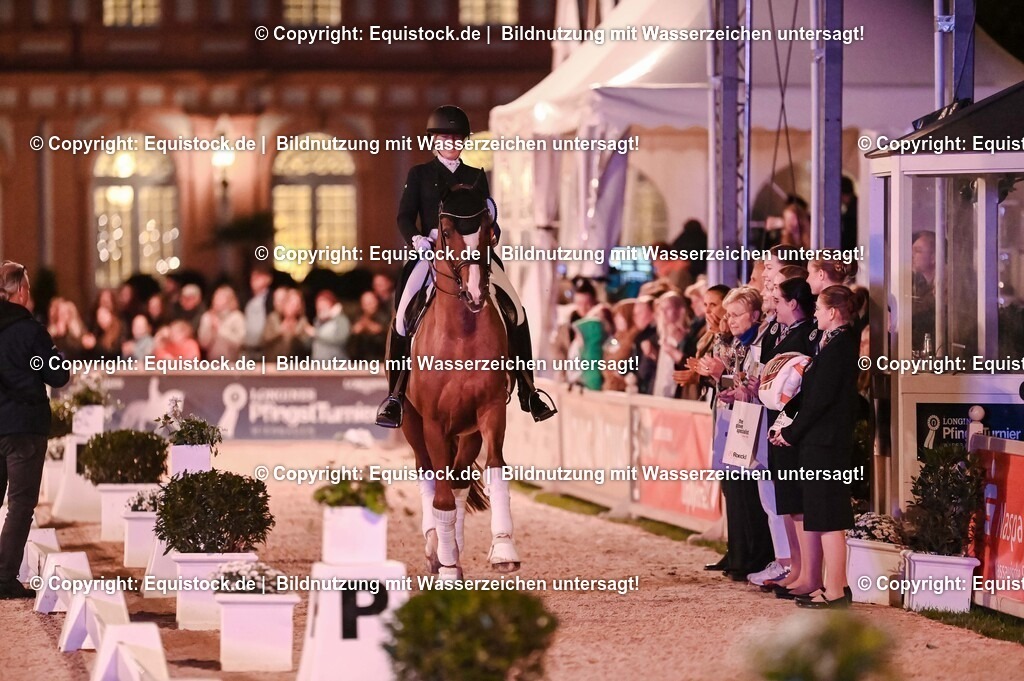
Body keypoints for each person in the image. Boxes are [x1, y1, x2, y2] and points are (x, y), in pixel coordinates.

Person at [376, 105, 556, 427]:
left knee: (516, 309)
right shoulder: (420, 174)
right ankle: (396, 394)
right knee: (403, 315)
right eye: (446, 138)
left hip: (473, 256)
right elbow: (404, 216)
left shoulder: (475, 175)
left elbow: (488, 216)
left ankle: (528, 389)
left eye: (457, 138)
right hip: (432, 253)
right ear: (434, 141)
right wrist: (417, 239)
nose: (452, 143)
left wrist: (493, 231)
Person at [770, 285, 862, 608]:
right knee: (822, 515)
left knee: (829, 516)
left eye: (820, 309)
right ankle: (835, 585)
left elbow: (820, 401)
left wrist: (791, 433)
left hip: (827, 443)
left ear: (833, 312)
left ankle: (836, 590)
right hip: (819, 442)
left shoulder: (841, 346)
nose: (815, 314)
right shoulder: (831, 343)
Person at [0, 261, 70, 599]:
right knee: (20, 504)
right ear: (20, 291)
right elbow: (57, 375)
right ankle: (3, 578)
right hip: (23, 427)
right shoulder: (30, 331)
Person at [198, 285, 246, 361]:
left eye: (220, 298)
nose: (215, 300)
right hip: (212, 362)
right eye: (215, 297)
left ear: (229, 300)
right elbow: (203, 344)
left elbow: (239, 342)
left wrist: (220, 328)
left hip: (233, 362)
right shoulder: (207, 317)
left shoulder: (237, 317)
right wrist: (211, 331)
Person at [310, 289, 351, 360]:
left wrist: (317, 334)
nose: (321, 307)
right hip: (318, 362)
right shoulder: (317, 321)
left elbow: (341, 339)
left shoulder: (341, 320)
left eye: (324, 304)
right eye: (318, 305)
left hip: (337, 362)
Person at [348, 291, 388, 361]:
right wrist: (355, 333)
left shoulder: (384, 318)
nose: (370, 306)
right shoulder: (356, 318)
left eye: (372, 302)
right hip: (359, 360)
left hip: (379, 359)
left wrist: (379, 330)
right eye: (367, 304)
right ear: (362, 305)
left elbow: (387, 342)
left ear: (377, 302)